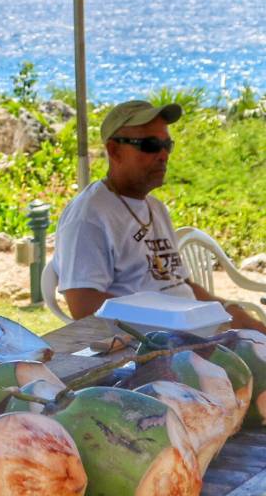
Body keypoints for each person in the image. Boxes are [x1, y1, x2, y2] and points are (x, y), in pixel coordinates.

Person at [52, 99, 266, 333]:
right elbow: (84, 305)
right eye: (150, 145)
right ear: (114, 150)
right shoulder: (89, 217)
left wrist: (228, 309)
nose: (163, 154)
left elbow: (181, 285)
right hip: (151, 346)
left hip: (194, 332)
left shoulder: (156, 208)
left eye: (167, 145)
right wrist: (179, 323)